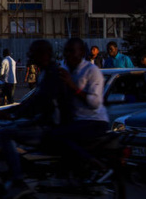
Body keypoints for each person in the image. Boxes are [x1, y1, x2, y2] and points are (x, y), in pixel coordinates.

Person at [0, 40, 73, 196]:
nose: (31, 57)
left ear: (44, 55)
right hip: (44, 120)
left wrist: (13, 114)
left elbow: (38, 103)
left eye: (34, 54)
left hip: (50, 125)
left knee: (5, 133)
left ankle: (17, 180)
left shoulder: (52, 74)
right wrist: (12, 111)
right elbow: (33, 101)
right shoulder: (45, 72)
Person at [47, 37, 110, 173]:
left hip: (93, 120)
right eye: (66, 51)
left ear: (81, 53)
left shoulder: (91, 71)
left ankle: (92, 161)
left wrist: (73, 86)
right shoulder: (64, 69)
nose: (68, 55)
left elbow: (95, 102)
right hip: (74, 120)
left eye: (72, 51)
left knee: (57, 136)